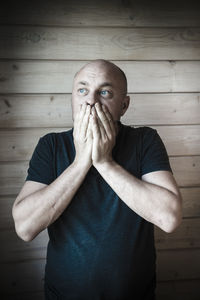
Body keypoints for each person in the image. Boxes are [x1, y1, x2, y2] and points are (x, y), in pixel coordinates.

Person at [12, 59, 182, 300]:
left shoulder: (145, 140)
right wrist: (82, 161)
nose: (90, 100)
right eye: (82, 90)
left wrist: (104, 162)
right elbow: (25, 228)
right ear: (72, 98)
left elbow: (169, 218)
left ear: (124, 105)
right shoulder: (50, 145)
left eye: (105, 92)